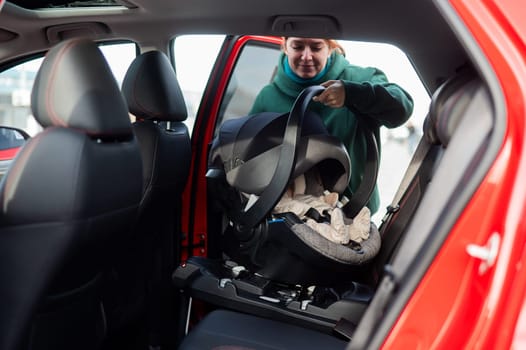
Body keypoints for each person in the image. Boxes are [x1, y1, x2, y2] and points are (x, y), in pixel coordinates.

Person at [249, 37, 414, 215]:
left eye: (316, 47)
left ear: (330, 48)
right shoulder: (268, 97)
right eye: (297, 47)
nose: (306, 56)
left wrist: (352, 94)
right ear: (285, 47)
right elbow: (248, 154)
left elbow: (402, 107)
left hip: (353, 213)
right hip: (289, 214)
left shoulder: (360, 78)